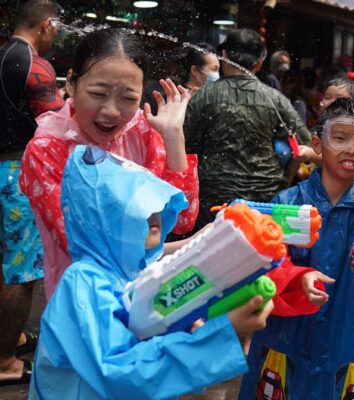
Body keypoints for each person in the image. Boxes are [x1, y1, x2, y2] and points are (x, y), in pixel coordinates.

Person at [31, 145, 273, 399]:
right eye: (131, 207)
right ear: (98, 222)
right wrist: (217, 337)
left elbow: (149, 352)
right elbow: (118, 375)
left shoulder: (139, 276)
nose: (151, 214)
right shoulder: (82, 283)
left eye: (153, 203)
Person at [239, 99, 354, 398]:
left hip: (344, 344)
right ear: (318, 145)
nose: (352, 148)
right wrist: (298, 278)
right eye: (341, 137)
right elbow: (265, 269)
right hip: (285, 341)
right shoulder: (287, 204)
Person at [20, 29, 200, 300]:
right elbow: (86, 245)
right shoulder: (47, 150)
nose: (112, 111)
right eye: (98, 93)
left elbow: (182, 220)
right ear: (71, 83)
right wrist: (184, 248)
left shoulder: (144, 131)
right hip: (82, 303)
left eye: (128, 98)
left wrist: (174, 136)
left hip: (147, 297)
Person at [184, 29, 315, 229]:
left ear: (224, 56)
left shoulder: (204, 96)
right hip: (265, 198)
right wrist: (287, 178)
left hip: (215, 198)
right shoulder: (274, 98)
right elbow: (305, 143)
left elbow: (187, 147)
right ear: (260, 62)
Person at [0, 0, 63, 386]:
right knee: (19, 274)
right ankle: (6, 361)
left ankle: (14, 337)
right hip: (17, 174)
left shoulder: (2, 54)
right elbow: (57, 126)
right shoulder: (36, 64)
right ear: (44, 25)